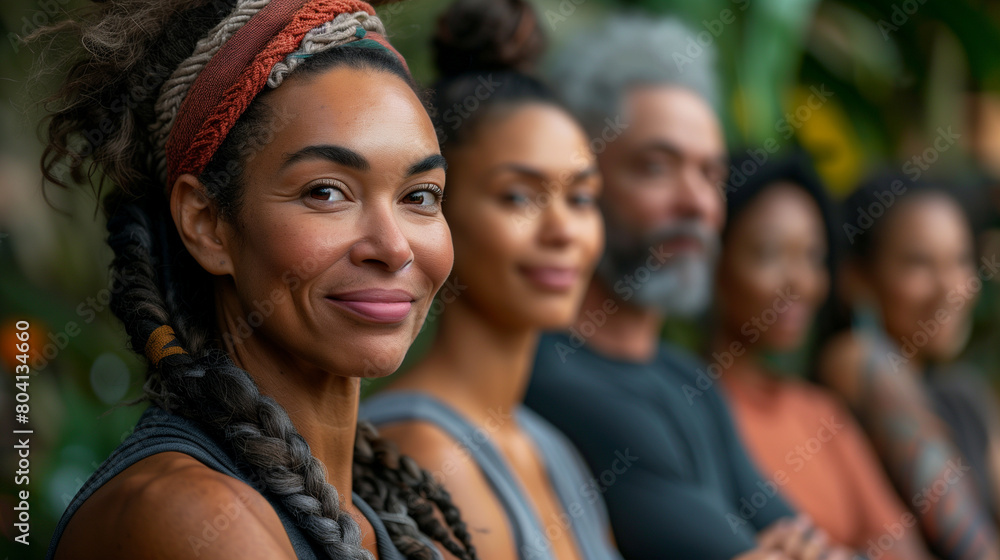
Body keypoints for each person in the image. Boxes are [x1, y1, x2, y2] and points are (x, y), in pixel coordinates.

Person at [37, 1, 477, 559]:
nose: (393, 248)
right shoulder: (194, 517)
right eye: (326, 191)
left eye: (420, 197)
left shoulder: (383, 515)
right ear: (207, 224)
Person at [523, 16, 858, 560]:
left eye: (709, 174)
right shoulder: (544, 373)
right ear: (578, 181)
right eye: (657, 168)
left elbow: (811, 541)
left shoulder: (684, 376)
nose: (697, 204)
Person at [360, 2, 619, 560]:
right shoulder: (422, 449)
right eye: (518, 196)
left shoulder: (549, 448)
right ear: (434, 212)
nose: (564, 231)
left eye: (580, 198)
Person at [712, 154, 932, 560]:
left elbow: (904, 551)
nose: (800, 282)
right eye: (769, 254)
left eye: (813, 257)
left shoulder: (819, 413)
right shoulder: (691, 407)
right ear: (714, 259)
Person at [820, 174, 1000, 560]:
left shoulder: (963, 394)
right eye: (919, 264)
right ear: (858, 279)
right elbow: (965, 535)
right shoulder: (856, 358)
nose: (949, 287)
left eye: (960, 260)